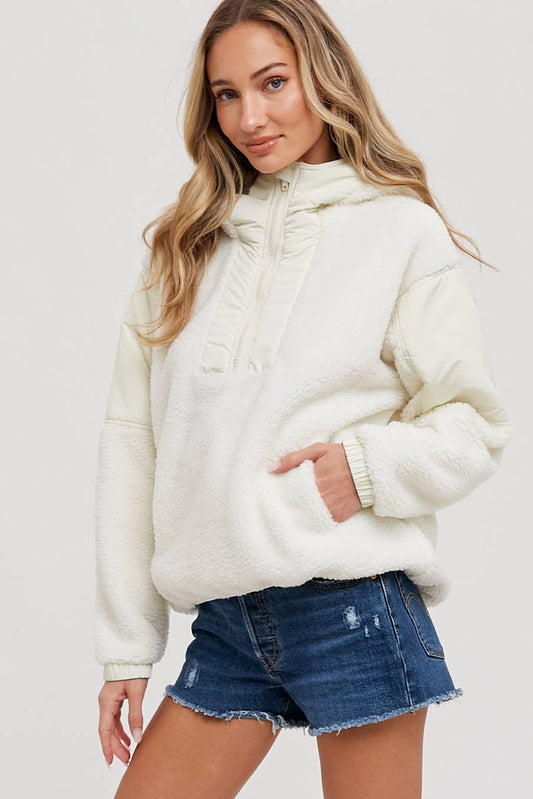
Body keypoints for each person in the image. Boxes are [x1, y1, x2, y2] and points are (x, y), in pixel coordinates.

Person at [94, 1, 512, 796]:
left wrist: (364, 466)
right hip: (227, 621)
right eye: (226, 94)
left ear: (323, 79)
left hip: (355, 608)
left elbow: (473, 425)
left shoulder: (398, 232)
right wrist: (125, 649)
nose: (249, 117)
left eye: (272, 83)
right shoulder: (183, 248)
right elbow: (131, 444)